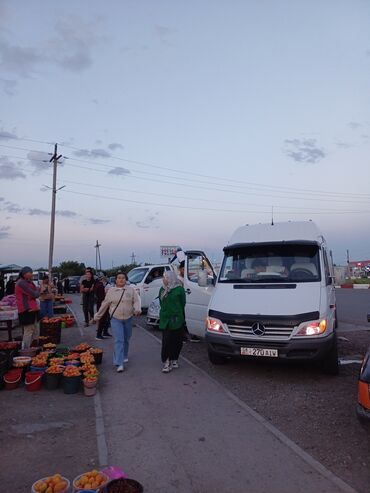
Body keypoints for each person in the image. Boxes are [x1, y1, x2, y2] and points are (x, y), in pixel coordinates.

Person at [94, 272, 141, 372]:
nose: (121, 280)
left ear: (126, 279)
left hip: (128, 318)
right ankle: (119, 363)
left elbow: (136, 301)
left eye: (123, 278)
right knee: (119, 340)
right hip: (116, 319)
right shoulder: (111, 291)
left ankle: (124, 355)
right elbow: (104, 304)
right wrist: (97, 316)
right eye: (119, 278)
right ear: (116, 280)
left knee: (126, 338)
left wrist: (137, 309)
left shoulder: (130, 290)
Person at [159, 270, 186, 373]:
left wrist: (176, 312)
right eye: (163, 277)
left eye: (165, 277)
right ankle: (166, 362)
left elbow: (183, 303)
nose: (163, 279)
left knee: (177, 341)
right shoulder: (162, 289)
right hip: (165, 319)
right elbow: (161, 303)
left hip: (176, 319)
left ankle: (174, 358)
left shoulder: (179, 289)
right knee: (166, 341)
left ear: (170, 278)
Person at [15, 266, 40, 349]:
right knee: (29, 330)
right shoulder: (21, 283)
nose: (32, 275)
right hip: (26, 309)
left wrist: (36, 291)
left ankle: (33, 348)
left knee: (35, 329)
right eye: (30, 273)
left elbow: (36, 291)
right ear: (25, 274)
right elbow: (35, 294)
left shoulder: (29, 282)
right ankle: (25, 350)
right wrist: (37, 292)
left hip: (33, 308)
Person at [94, 272, 112, 340]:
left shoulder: (97, 284)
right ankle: (98, 335)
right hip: (102, 304)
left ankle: (104, 332)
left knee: (104, 319)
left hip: (101, 304)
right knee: (102, 319)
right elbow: (102, 297)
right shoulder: (100, 286)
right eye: (104, 278)